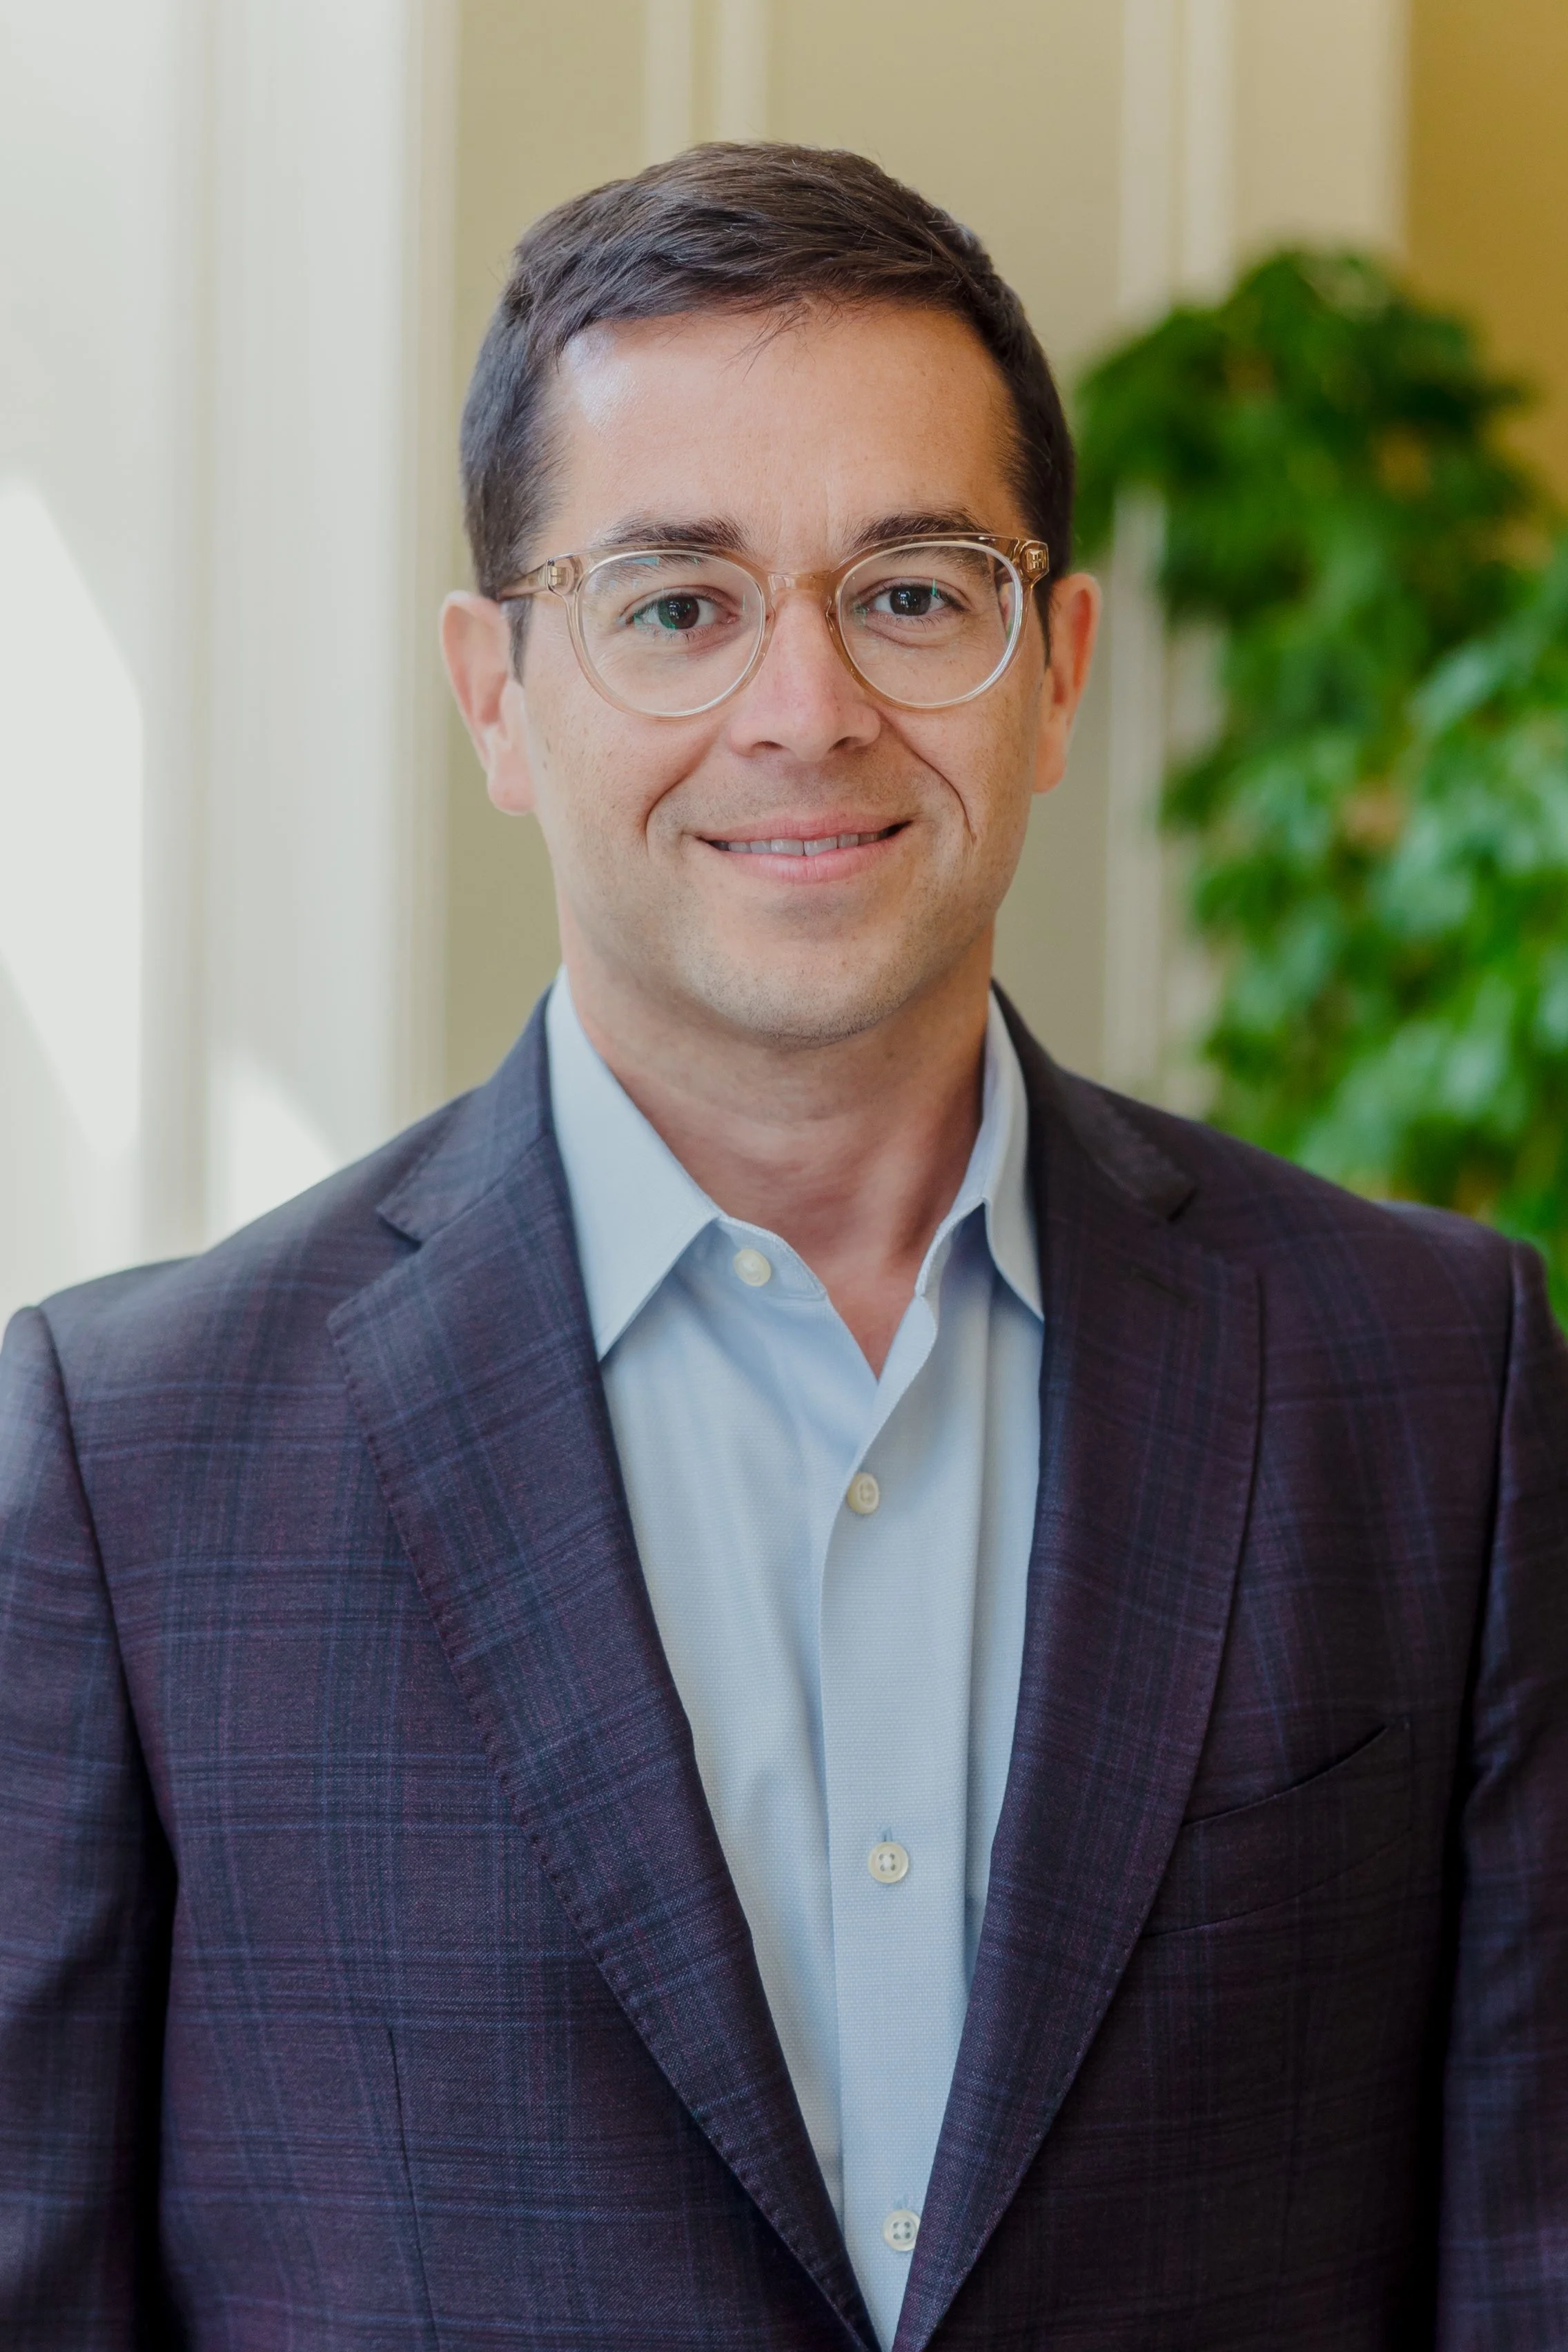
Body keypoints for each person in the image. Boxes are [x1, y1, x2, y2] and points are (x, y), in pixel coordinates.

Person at [1, 141, 1564, 2352]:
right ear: (495, 697)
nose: (806, 708)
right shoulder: (126, 1464)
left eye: (915, 590)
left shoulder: (1436, 1378)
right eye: (676, 603)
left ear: (1057, 667)